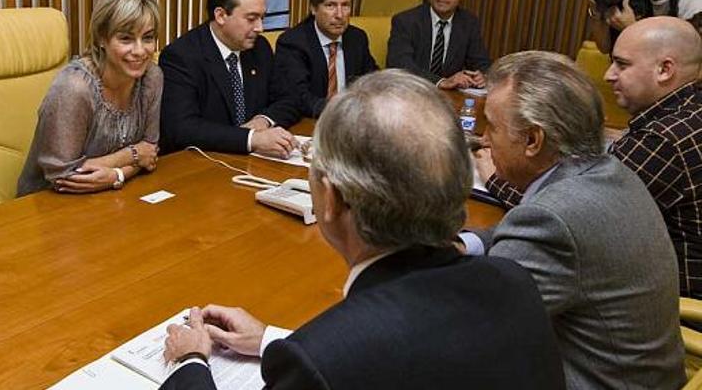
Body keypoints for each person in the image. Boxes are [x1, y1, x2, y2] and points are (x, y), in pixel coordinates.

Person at [159, 70, 566, 390]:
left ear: (331, 200)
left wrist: (190, 362)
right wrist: (269, 341)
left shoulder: (323, 361)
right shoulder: (513, 282)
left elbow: (356, 358)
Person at [460, 51, 685, 389]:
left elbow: (476, 325)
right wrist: (468, 243)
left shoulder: (554, 217)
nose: (485, 139)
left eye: (491, 125)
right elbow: (539, 230)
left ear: (533, 140)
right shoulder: (608, 173)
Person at [481, 17, 702, 299]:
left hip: (678, 298)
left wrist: (492, 176)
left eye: (622, 64)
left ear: (665, 69)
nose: (608, 75)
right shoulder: (686, 114)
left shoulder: (661, 140)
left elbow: (564, 212)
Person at [18, 0, 162, 196]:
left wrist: (117, 176)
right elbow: (63, 177)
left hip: (113, 199)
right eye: (126, 38)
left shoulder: (152, 77)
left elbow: (150, 151)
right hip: (47, 205)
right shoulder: (74, 88)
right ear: (101, 38)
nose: (140, 51)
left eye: (148, 38)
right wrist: (131, 157)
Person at [159, 0, 300, 158]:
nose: (260, 28)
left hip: (252, 164)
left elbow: (289, 99)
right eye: (251, 18)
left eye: (262, 18)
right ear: (221, 15)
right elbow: (182, 129)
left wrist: (262, 121)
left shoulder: (260, 48)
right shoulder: (182, 56)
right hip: (201, 166)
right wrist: (250, 139)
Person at [274, 0, 378, 118]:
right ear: (314, 8)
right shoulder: (293, 42)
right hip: (311, 122)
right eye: (331, 5)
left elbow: (371, 80)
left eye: (346, 5)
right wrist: (342, 110)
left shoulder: (357, 38)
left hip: (353, 122)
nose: (340, 15)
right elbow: (298, 97)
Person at [386, 0, 490, 90]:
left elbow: (481, 62)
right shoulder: (406, 21)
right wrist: (440, 82)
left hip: (449, 98)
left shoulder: (468, 23)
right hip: (411, 92)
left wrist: (482, 75)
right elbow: (400, 64)